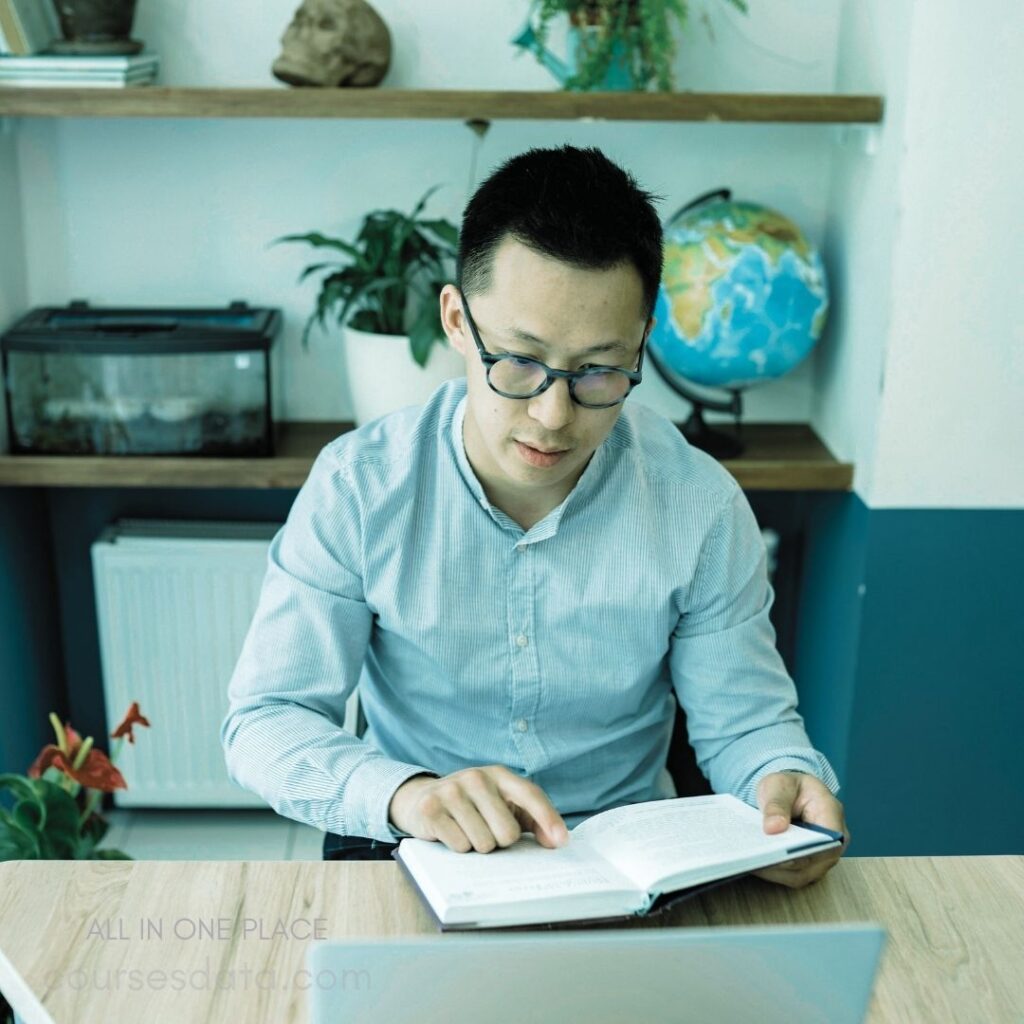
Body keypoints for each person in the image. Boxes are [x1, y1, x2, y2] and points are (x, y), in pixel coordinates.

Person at [220, 145, 848, 889]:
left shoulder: (700, 505)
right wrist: (408, 795)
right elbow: (266, 720)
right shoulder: (360, 488)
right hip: (414, 844)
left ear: (643, 340)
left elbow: (746, 725)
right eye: (518, 361)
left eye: (598, 371)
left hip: (629, 866)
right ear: (457, 320)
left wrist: (782, 782)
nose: (553, 416)